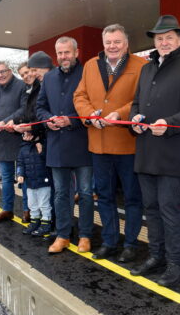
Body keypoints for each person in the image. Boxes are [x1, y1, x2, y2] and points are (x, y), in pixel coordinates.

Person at [129, 15, 180, 287]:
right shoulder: (146, 68)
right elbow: (136, 103)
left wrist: (170, 123)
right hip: (146, 149)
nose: (164, 42)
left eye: (169, 38)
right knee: (150, 208)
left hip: (171, 150)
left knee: (169, 209)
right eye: (159, 38)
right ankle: (156, 256)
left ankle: (175, 263)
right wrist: (135, 120)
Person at [74, 24, 146, 261]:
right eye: (108, 42)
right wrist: (89, 115)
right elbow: (80, 96)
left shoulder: (141, 66)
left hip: (128, 144)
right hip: (99, 144)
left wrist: (120, 113)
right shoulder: (90, 65)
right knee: (104, 196)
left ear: (126, 44)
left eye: (117, 42)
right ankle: (110, 241)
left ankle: (132, 244)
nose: (112, 46)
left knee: (132, 197)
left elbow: (142, 99)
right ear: (103, 44)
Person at [37, 36, 94, 254]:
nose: (63, 57)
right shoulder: (49, 78)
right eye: (59, 53)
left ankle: (85, 235)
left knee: (86, 193)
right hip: (57, 146)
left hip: (82, 144)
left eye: (67, 52)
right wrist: (48, 119)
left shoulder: (87, 74)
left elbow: (93, 107)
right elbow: (40, 107)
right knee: (61, 193)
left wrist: (71, 120)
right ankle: (62, 235)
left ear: (76, 52)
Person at [14, 52, 54, 224]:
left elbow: (41, 116)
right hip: (34, 139)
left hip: (45, 141)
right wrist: (27, 129)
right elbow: (28, 115)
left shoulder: (43, 87)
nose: (27, 75)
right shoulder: (29, 91)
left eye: (29, 71)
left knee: (45, 186)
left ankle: (47, 220)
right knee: (31, 182)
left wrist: (35, 133)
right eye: (23, 74)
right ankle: (35, 216)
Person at [0, 61, 27, 223]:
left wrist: (5, 121)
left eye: (3, 71)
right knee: (5, 177)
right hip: (0, 138)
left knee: (25, 176)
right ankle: (8, 210)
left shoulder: (21, 85)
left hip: (19, 135)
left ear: (10, 71)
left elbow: (24, 108)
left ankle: (28, 210)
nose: (1, 75)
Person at [16, 134, 52, 237]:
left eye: (29, 133)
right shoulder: (23, 149)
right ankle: (34, 222)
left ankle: (46, 223)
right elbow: (20, 163)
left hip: (43, 181)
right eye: (23, 134)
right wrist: (20, 174)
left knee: (44, 204)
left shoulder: (43, 144)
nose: (25, 136)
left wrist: (42, 152)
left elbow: (48, 160)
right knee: (32, 204)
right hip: (30, 182)